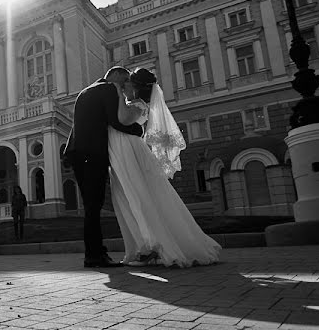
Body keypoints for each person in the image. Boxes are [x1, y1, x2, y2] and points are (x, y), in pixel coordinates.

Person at [110, 67, 221, 267]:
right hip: (123, 151)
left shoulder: (139, 105)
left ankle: (151, 247)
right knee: (128, 197)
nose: (123, 85)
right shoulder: (132, 103)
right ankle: (140, 247)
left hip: (130, 152)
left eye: (126, 82)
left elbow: (124, 120)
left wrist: (117, 93)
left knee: (139, 196)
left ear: (135, 87)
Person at [63, 66, 144, 268]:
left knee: (91, 206)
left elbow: (82, 125)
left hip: (77, 153)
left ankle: (95, 253)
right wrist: (138, 129)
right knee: (93, 206)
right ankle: (95, 255)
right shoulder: (108, 89)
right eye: (124, 79)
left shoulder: (86, 91)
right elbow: (116, 121)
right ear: (114, 76)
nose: (124, 84)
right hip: (92, 154)